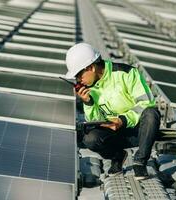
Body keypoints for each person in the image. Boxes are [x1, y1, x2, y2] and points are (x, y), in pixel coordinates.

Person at [65, 43, 160, 180]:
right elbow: (94, 121)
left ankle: (140, 161)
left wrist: (123, 120)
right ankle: (117, 156)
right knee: (90, 139)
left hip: (138, 131)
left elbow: (146, 103)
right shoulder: (89, 88)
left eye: (79, 75)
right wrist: (88, 102)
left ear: (91, 67)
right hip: (114, 133)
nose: (78, 80)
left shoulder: (127, 73)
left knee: (151, 113)